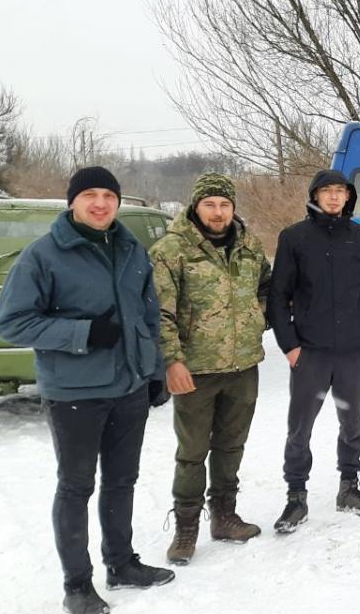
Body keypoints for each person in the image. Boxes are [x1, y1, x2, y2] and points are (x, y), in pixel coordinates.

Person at [0, 166, 174, 614]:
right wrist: (83, 333)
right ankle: (77, 585)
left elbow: (148, 318)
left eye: (108, 195)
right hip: (75, 390)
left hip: (129, 386)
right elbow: (12, 323)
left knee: (122, 480)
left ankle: (121, 563)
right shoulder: (43, 255)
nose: (100, 203)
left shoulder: (131, 249)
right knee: (76, 487)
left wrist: (152, 372)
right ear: (72, 201)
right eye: (90, 195)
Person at [149, 173, 272, 565]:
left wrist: (256, 317)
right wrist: (173, 360)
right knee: (191, 452)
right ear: (196, 207)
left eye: (224, 205)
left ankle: (224, 515)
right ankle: (186, 528)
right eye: (210, 205)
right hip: (195, 370)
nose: (218, 213)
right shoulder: (172, 249)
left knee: (231, 446)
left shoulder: (250, 247)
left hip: (242, 366)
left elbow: (268, 288)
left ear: (233, 208)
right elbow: (159, 312)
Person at [268, 169, 360, 532]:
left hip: (355, 351)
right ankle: (296, 496)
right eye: (327, 191)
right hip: (311, 352)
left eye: (340, 191)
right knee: (300, 428)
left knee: (352, 422)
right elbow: (278, 297)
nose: (334, 197)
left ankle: (348, 487)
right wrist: (290, 346)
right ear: (315, 196)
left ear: (348, 196)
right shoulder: (294, 238)